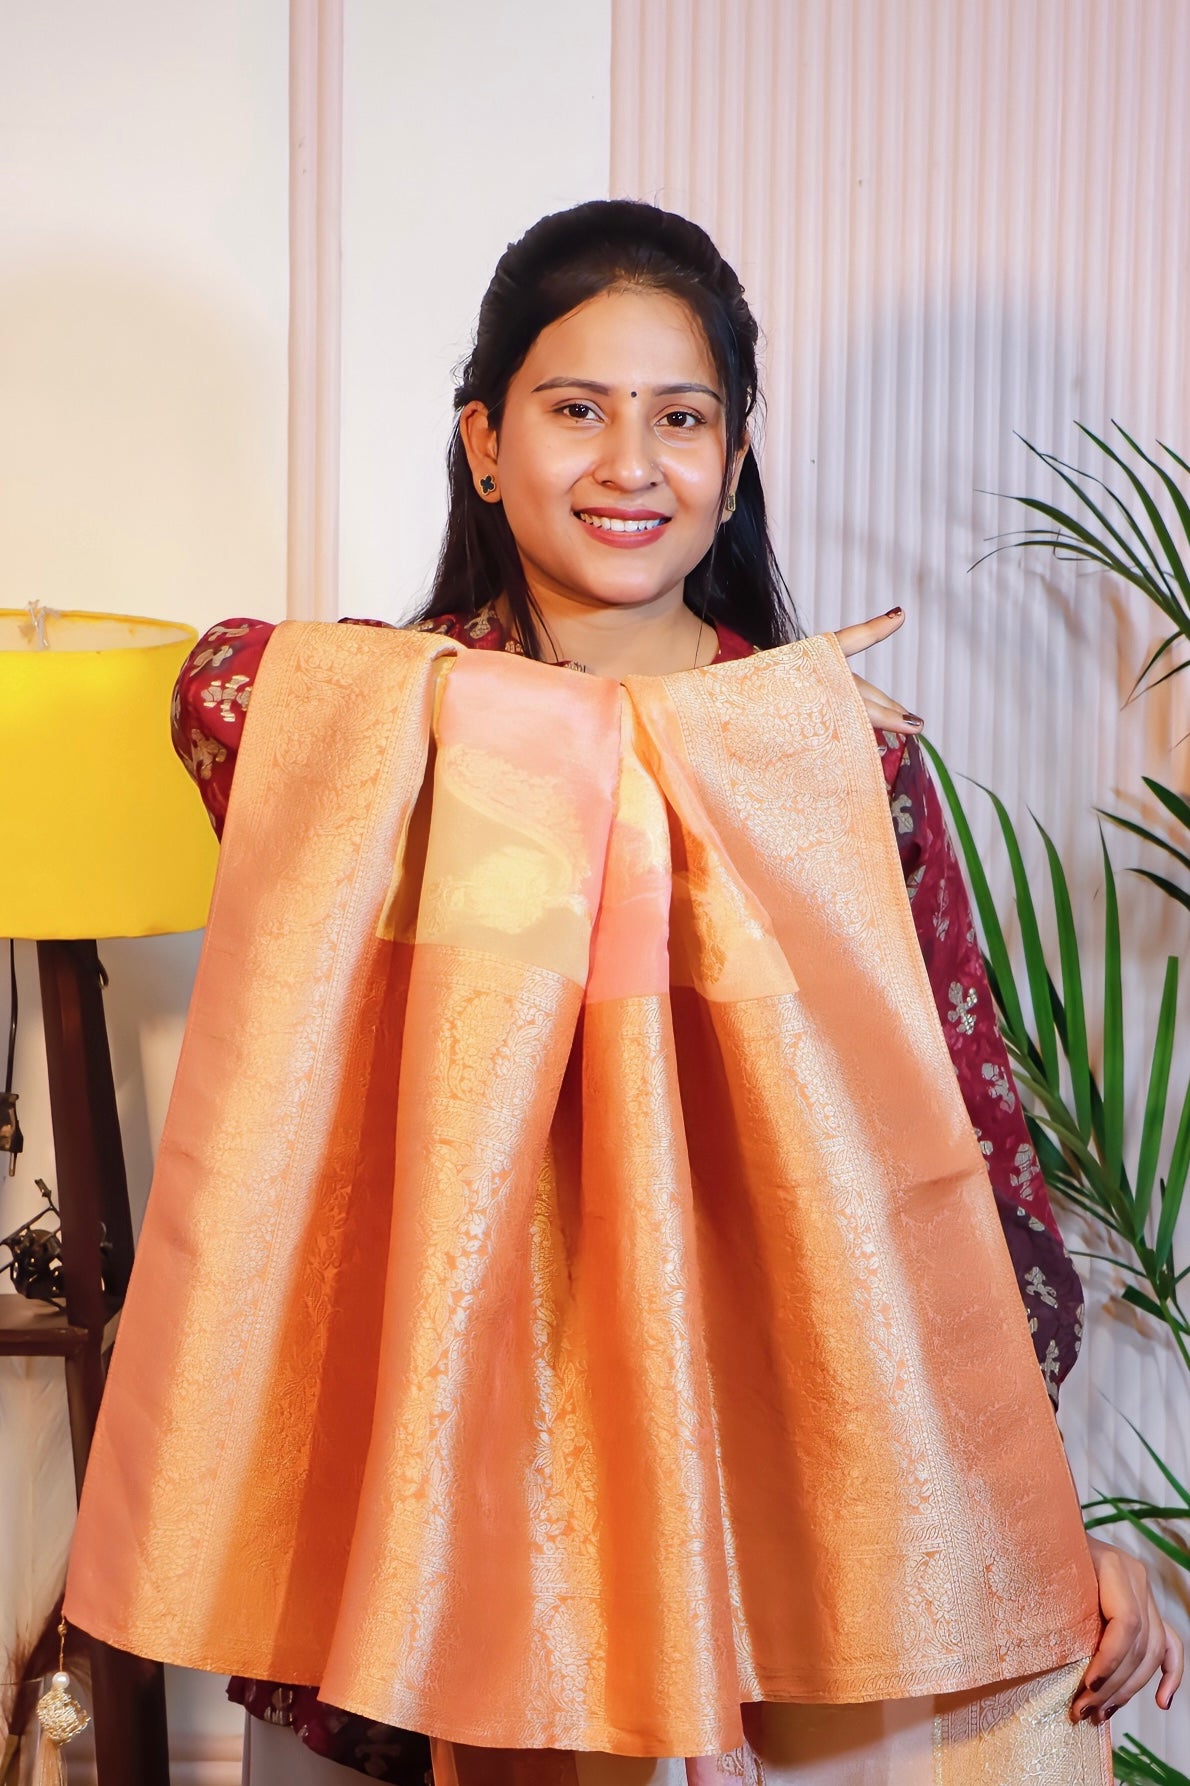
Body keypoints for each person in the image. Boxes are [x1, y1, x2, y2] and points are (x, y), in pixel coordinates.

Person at [89, 201, 1182, 1783]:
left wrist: (1049, 1525)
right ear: (481, 441)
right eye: (573, 409)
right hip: (422, 1507)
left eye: (681, 420)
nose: (630, 463)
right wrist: (557, 734)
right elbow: (213, 686)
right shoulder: (379, 736)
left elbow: (970, 1175)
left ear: (733, 464)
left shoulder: (839, 763)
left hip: (755, 1506)